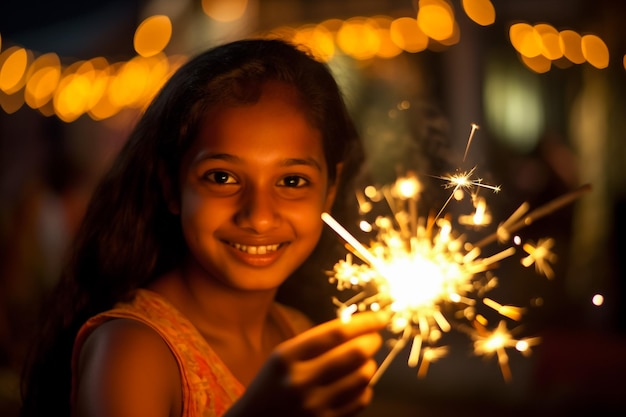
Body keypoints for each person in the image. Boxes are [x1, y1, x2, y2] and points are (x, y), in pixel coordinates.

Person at [18, 38, 387, 417]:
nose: (258, 217)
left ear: (329, 192)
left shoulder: (302, 336)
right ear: (171, 187)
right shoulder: (133, 350)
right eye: (222, 177)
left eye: (291, 181)